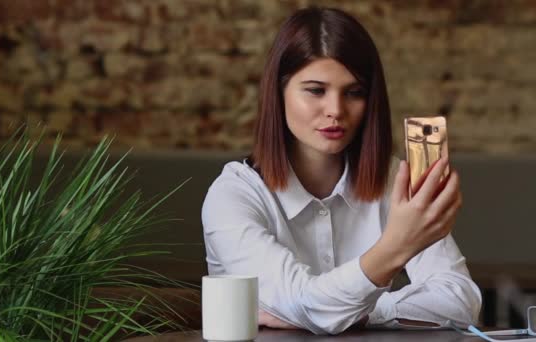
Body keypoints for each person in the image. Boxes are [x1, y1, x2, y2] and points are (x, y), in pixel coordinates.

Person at [201, 7, 481, 335]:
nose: (335, 110)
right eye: (316, 90)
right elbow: (305, 303)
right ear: (279, 94)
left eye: (354, 92)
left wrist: (363, 311)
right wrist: (395, 248)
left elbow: (461, 301)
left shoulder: (394, 179)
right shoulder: (233, 195)